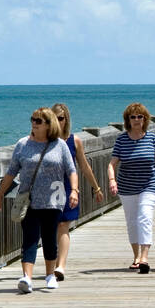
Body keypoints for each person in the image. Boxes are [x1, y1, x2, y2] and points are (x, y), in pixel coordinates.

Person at [0, 107, 78, 293]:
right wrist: (0, 194)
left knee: (49, 239)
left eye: (38, 121)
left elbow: (71, 170)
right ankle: (27, 278)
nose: (34, 123)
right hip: (28, 200)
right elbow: (11, 172)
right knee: (30, 239)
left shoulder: (60, 145)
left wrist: (74, 191)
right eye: (32, 119)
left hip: (53, 200)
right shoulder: (23, 144)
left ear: (49, 124)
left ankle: (50, 275)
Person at [107, 103, 155, 273]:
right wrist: (112, 180)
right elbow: (112, 163)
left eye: (140, 117)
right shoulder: (122, 139)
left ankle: (144, 257)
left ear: (145, 119)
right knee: (132, 222)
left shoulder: (151, 138)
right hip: (127, 186)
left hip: (149, 184)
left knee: (144, 217)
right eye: (133, 117)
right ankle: (136, 256)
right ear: (128, 120)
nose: (136, 120)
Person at [51, 102, 103, 281]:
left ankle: (61, 266)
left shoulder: (74, 141)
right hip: (47, 189)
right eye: (55, 118)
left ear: (66, 120)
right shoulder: (44, 140)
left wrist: (96, 187)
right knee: (50, 228)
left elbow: (84, 166)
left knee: (63, 225)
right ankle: (52, 263)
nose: (58, 122)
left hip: (68, 188)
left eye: (61, 118)